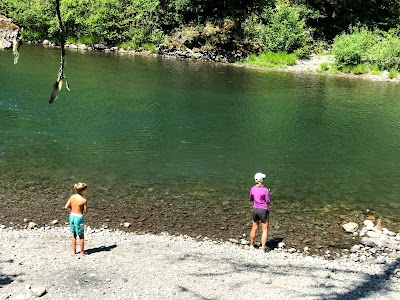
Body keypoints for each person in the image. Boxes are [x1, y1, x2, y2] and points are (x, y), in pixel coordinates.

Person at [65, 182, 88, 256]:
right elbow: (86, 211)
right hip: (79, 219)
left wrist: (72, 210)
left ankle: (74, 251)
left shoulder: (72, 197)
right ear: (83, 191)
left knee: (74, 234)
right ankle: (82, 252)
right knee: (81, 235)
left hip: (72, 216)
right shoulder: (83, 200)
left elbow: (66, 207)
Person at [249, 172, 271, 251]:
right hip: (263, 210)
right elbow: (268, 201)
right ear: (262, 180)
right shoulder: (265, 190)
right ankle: (262, 248)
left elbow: (251, 198)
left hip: (255, 209)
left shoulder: (252, 189)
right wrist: (268, 194)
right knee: (264, 229)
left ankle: (251, 245)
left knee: (254, 227)